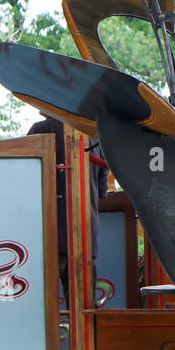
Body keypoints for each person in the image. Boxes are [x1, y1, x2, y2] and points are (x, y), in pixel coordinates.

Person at [27, 113, 109, 301]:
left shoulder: (40, 131)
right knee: (83, 306)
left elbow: (25, 180)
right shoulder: (95, 137)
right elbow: (102, 191)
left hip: (47, 234)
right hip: (85, 234)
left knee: (38, 307)